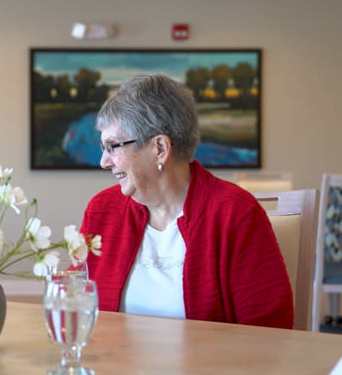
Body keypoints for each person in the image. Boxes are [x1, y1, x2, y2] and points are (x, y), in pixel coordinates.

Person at [80, 73, 293, 329]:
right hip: (116, 367)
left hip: (210, 368)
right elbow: (79, 306)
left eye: (113, 147)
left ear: (159, 148)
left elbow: (269, 333)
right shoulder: (102, 211)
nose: (104, 162)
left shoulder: (235, 213)